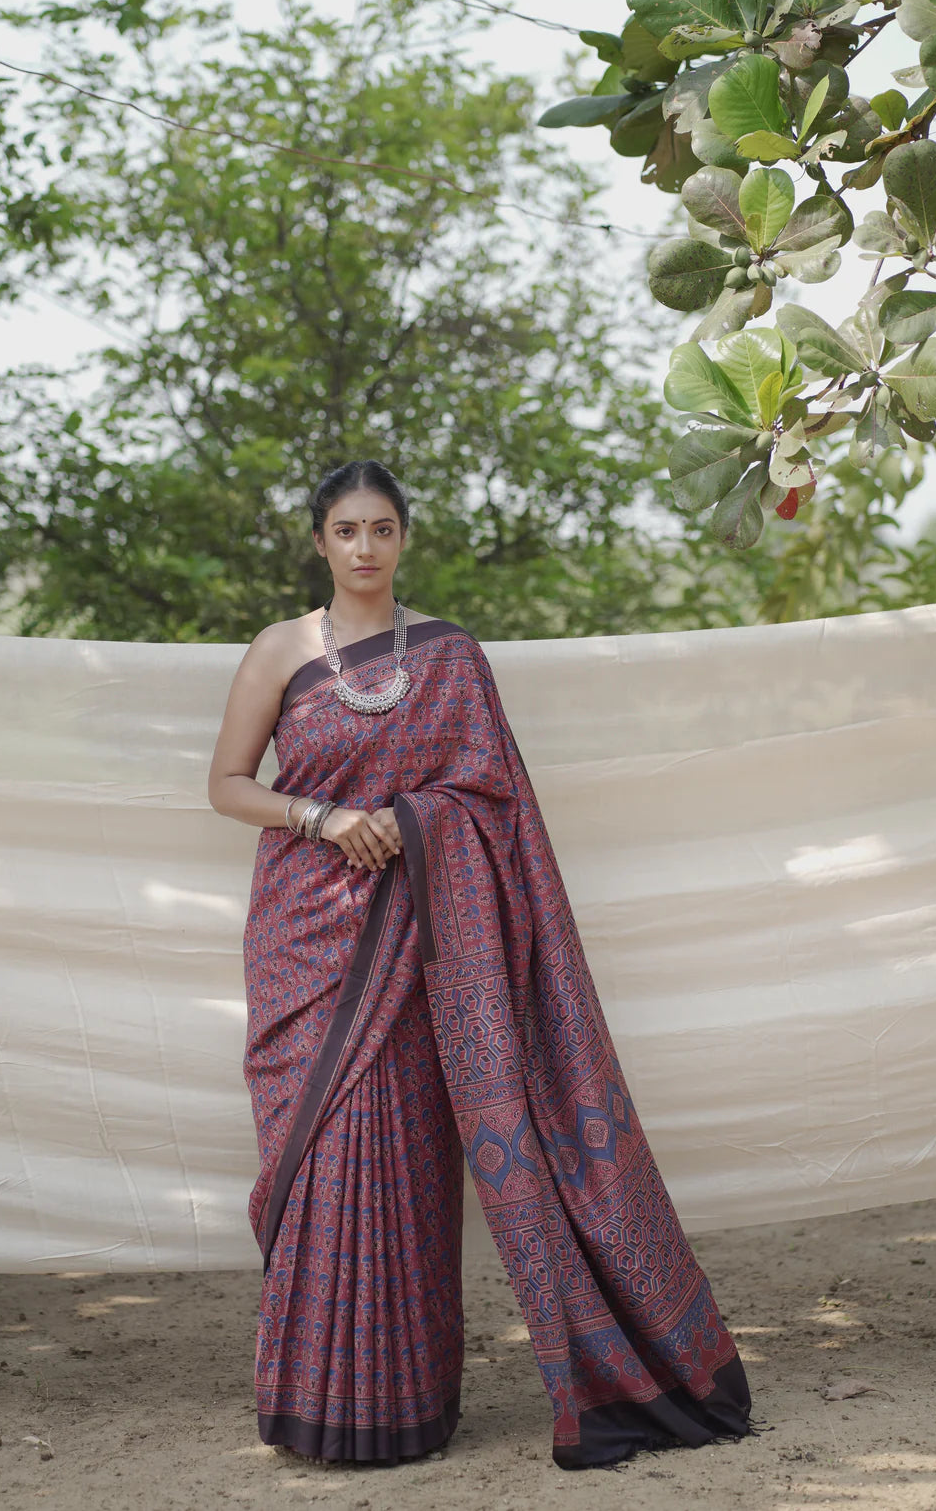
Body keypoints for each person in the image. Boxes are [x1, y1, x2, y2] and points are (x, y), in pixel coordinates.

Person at [207, 458, 753, 1470]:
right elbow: (228, 785)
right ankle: (318, 1399)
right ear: (319, 542)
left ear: (403, 539)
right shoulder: (280, 652)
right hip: (308, 932)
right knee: (323, 1147)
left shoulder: (453, 657)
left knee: (405, 1157)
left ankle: (403, 1402)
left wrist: (418, 824)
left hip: (427, 935)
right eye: (346, 531)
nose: (365, 547)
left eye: (382, 529)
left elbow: (494, 800)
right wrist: (324, 817)